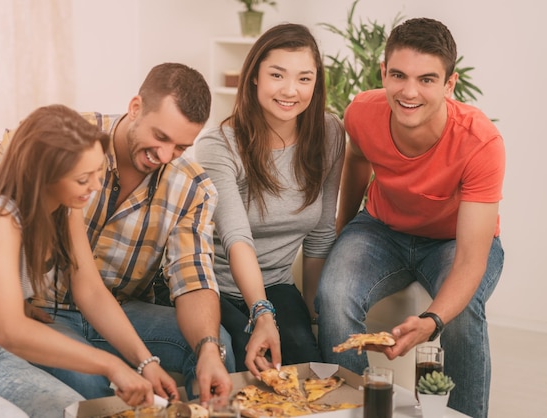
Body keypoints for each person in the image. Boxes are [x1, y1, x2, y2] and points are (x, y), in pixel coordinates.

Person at [0, 63, 235, 403]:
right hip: (40, 311)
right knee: (89, 388)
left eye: (181, 147)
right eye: (160, 137)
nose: (166, 156)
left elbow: (190, 278)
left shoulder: (193, 187)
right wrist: (9, 298)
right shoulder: (61, 141)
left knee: (219, 345)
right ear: (135, 107)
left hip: (119, 311)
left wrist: (185, 353)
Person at [0, 104, 174, 417]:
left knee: (77, 414)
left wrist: (144, 362)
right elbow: (10, 331)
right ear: (43, 176)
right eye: (84, 178)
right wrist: (111, 366)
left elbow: (91, 291)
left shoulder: (64, 206)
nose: (96, 186)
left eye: (98, 172)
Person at [316, 18, 505, 418]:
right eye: (398, 75)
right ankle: (350, 409)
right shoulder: (362, 112)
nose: (409, 91)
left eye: (426, 79)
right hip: (381, 230)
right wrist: (342, 233)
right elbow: (356, 159)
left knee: (463, 311)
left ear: (449, 85)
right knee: (333, 292)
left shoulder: (480, 142)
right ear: (383, 72)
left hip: (453, 241)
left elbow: (472, 257)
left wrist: (432, 318)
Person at [195, 23, 345, 375]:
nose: (290, 90)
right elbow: (236, 237)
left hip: (277, 284)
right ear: (254, 78)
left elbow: (321, 236)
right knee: (243, 365)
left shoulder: (330, 134)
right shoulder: (218, 145)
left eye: (304, 79)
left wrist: (312, 319)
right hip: (214, 286)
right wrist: (261, 312)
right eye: (277, 75)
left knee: (307, 368)